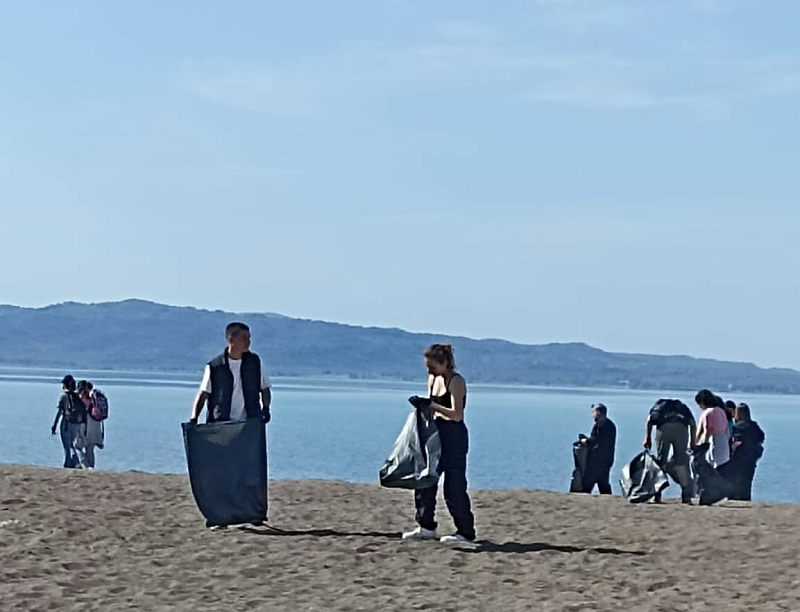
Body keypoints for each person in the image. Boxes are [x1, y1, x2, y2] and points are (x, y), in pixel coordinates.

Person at [403, 344, 476, 544]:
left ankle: (465, 532)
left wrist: (433, 405)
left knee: (454, 487)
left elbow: (457, 415)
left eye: (433, 367)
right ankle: (426, 526)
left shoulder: (456, 381)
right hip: (435, 435)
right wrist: (423, 407)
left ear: (444, 363)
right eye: (427, 367)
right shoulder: (433, 379)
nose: (430, 371)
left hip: (454, 437)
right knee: (425, 481)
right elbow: (432, 409)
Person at [190, 322, 272, 425]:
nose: (248, 342)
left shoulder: (255, 363)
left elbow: (265, 388)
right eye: (244, 338)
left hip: (250, 424)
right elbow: (203, 394)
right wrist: (193, 419)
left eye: (249, 338)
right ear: (231, 340)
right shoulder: (215, 367)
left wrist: (266, 409)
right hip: (220, 425)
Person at [643, 398, 696, 504]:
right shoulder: (683, 409)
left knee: (661, 461)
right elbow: (693, 424)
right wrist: (692, 442)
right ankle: (686, 495)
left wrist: (647, 438)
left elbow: (649, 420)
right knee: (681, 462)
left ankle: (657, 493)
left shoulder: (659, 408)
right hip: (681, 429)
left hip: (663, 429)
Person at [727, 403, 765, 501]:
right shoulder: (754, 426)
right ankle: (746, 498)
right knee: (747, 481)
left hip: (738, 458)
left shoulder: (736, 427)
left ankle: (734, 498)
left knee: (735, 480)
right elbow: (762, 437)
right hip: (751, 458)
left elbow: (731, 441)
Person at [51, 375, 88, 469]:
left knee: (67, 445)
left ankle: (71, 463)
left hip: (67, 423)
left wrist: (54, 425)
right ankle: (72, 462)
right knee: (71, 444)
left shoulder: (63, 396)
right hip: (77, 423)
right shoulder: (76, 397)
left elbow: (59, 412)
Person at [578, 403, 616, 494]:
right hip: (603, 461)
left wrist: (586, 441)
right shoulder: (601, 425)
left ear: (599, 413)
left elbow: (597, 442)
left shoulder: (606, 426)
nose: (592, 415)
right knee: (602, 484)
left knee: (588, 484)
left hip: (599, 461)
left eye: (594, 412)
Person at [695, 389, 730, 468]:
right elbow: (726, 430)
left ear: (703, 402)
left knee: (710, 467)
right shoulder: (721, 411)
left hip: (714, 442)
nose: (699, 407)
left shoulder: (707, 413)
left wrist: (701, 446)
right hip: (724, 443)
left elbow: (707, 431)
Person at [78, 380, 104, 469]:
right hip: (96, 423)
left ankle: (85, 465)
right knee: (90, 449)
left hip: (85, 424)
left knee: (77, 446)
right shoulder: (95, 396)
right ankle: (91, 468)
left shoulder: (81, 397)